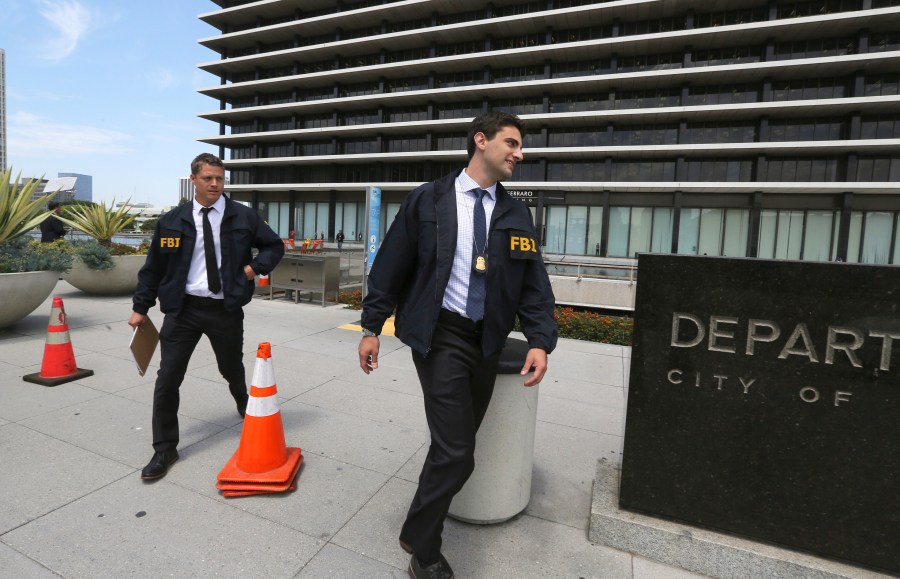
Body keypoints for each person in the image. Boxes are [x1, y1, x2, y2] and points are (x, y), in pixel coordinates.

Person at [357, 111, 557, 579]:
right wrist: (371, 327)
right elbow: (391, 265)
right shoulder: (428, 200)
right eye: (511, 143)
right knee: (457, 453)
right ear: (481, 141)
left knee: (454, 446)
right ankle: (424, 551)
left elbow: (534, 283)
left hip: (488, 340)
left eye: (520, 146)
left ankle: (414, 527)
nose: (519, 154)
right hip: (441, 335)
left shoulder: (515, 212)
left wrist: (540, 340)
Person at [129, 153, 284, 480]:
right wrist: (140, 308)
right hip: (183, 310)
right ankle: (164, 448)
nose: (215, 184)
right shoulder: (172, 221)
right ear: (193, 179)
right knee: (168, 377)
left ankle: (246, 406)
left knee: (231, 368)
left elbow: (274, 246)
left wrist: (254, 268)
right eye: (208, 178)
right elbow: (154, 267)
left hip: (224, 309)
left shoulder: (243, 216)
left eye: (220, 179)